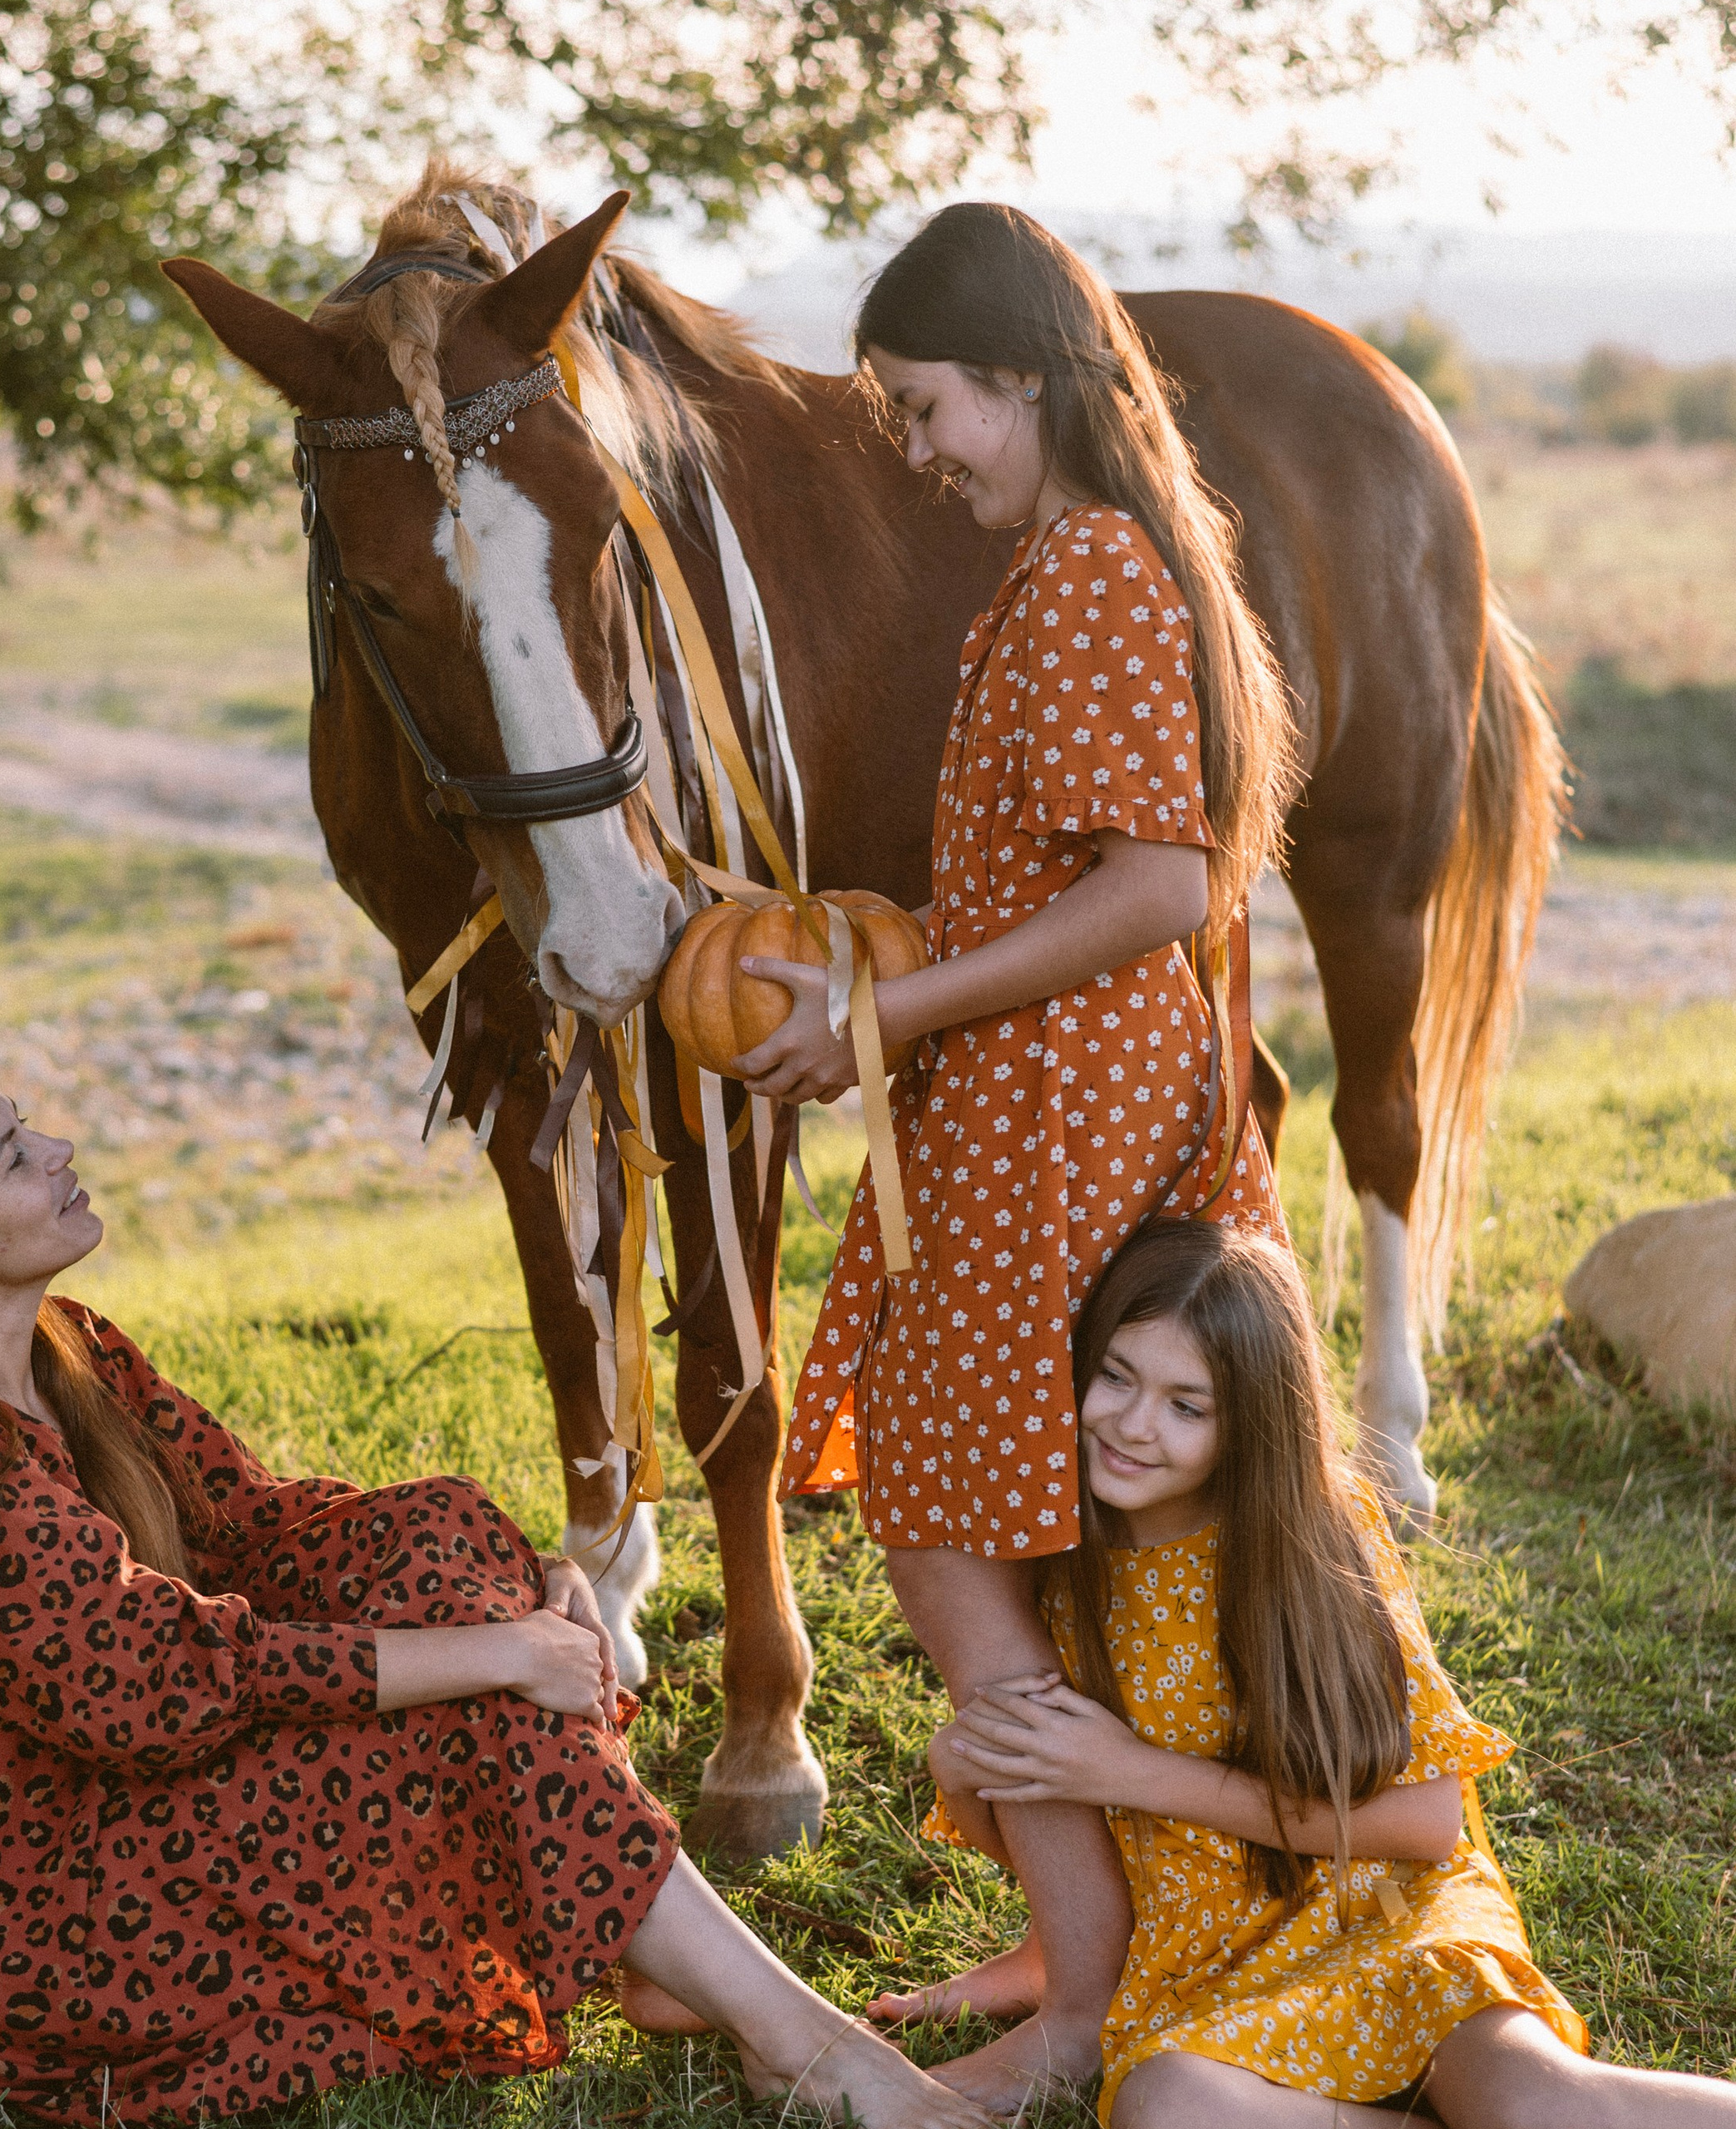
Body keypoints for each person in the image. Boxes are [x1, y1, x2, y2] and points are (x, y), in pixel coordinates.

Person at [0, 1055, 982, 2128]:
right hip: (30, 1919)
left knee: (437, 1543)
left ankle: (692, 1974)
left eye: (34, 1127)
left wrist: (518, 1574)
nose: (60, 1150)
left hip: (123, 1807)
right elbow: (150, 1685)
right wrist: (497, 1653)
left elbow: (262, 1526)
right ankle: (803, 2045)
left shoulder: (73, 1347)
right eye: (15, 1154)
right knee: (465, 1709)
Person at [728, 200, 1300, 2102]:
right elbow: (1071, 867)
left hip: (1052, 1112)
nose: (906, 452)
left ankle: (1081, 2003)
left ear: (1021, 380)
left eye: (919, 408)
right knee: (1008, 1532)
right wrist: (883, 954)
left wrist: (892, 1010)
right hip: (1044, 1088)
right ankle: (1084, 1943)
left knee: (950, 1533)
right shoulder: (1116, 559)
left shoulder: (1088, 571)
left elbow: (1149, 885)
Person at [924, 1217, 1736, 2127]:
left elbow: (1425, 1821)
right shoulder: (1060, 1562)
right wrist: (965, 1778)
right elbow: (1073, 1833)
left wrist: (1134, 1771)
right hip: (1210, 1973)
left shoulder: (1311, 1542)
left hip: (1382, 1916)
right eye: (1115, 1375)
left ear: (1251, 1422)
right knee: (1166, 2106)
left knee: (1535, 2099)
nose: (1131, 1424)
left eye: (1187, 1405)